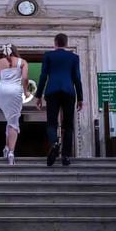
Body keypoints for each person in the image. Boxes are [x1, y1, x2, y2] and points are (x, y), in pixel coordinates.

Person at [35, 32, 83, 166]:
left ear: (55, 43)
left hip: (52, 91)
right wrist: (80, 98)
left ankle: (55, 143)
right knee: (68, 125)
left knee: (51, 122)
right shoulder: (74, 57)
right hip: (69, 91)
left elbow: (43, 76)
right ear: (66, 43)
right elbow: (77, 78)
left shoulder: (48, 56)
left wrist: (38, 96)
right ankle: (66, 156)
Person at [0, 42, 28, 165]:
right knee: (13, 123)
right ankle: (11, 153)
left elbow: (0, 77)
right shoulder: (22, 62)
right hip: (14, 92)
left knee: (10, 120)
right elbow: (24, 79)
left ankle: (6, 147)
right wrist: (26, 92)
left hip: (1, 91)